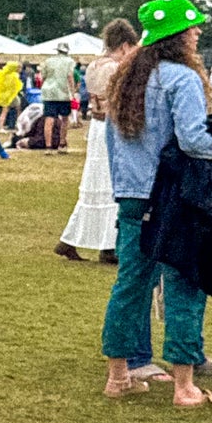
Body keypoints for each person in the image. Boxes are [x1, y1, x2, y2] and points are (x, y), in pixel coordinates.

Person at [100, 0, 212, 406]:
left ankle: (119, 376)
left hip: (133, 196)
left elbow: (111, 146)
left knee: (131, 283)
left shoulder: (126, 79)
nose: (198, 32)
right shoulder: (181, 78)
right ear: (177, 36)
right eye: (192, 26)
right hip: (174, 196)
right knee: (185, 282)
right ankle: (185, 386)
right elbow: (191, 138)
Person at [55, 19, 139, 263]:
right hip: (112, 126)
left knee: (95, 184)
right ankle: (107, 245)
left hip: (97, 125)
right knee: (110, 184)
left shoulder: (94, 65)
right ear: (124, 45)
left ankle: (76, 240)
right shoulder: (117, 68)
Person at [39, 43, 76, 149]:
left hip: (49, 92)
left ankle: (48, 146)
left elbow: (43, 76)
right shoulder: (70, 61)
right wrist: (72, 93)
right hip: (63, 92)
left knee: (49, 119)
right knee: (65, 119)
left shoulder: (48, 61)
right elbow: (70, 76)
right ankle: (62, 143)